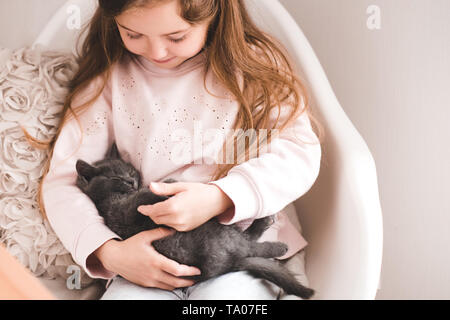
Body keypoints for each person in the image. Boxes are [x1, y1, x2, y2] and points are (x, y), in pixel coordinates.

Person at [38, 0, 323, 300]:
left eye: (176, 37)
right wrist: (110, 252)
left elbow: (298, 153)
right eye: (133, 34)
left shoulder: (254, 68)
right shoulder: (109, 79)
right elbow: (63, 183)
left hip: (239, 256)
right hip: (147, 262)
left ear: (214, 14)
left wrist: (221, 197)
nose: (157, 52)